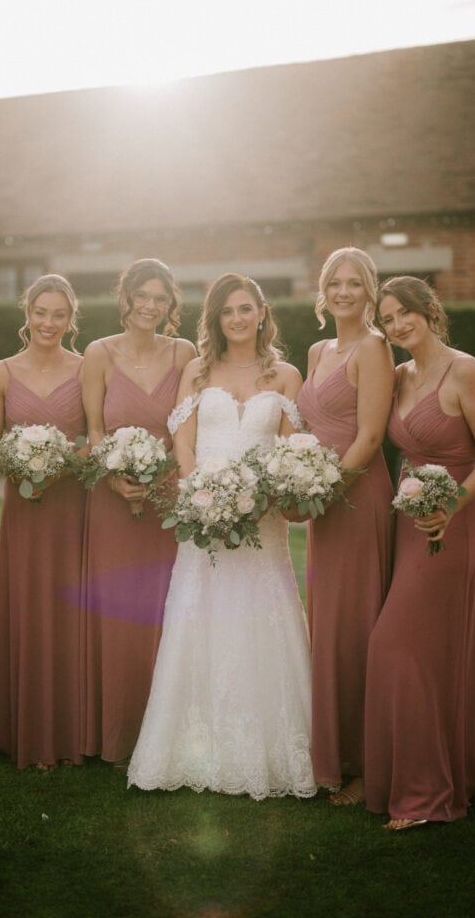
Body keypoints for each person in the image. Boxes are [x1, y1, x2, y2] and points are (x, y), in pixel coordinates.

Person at [127, 273, 317, 801]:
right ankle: (191, 748)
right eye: (227, 311)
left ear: (261, 312)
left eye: (245, 308)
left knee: (263, 615)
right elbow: (182, 443)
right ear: (216, 318)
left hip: (263, 521)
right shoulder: (197, 369)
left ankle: (269, 752)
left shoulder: (286, 376)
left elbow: (288, 450)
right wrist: (200, 497)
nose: (237, 318)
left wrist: (255, 500)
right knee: (200, 615)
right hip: (202, 517)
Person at [365, 276, 475, 830]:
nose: (398, 325)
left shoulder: (465, 369)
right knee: (428, 652)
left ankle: (428, 795)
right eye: (389, 318)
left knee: (394, 646)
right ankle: (457, 772)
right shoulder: (398, 375)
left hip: (454, 524)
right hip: (410, 523)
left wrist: (452, 505)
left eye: (406, 314)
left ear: (429, 312)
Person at [80, 259, 196, 766]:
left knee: (167, 610)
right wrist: (117, 476)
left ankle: (167, 734)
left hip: (167, 501)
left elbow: (187, 430)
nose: (150, 306)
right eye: (142, 296)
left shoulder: (185, 353)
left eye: (161, 299)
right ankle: (117, 733)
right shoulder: (98, 353)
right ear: (124, 299)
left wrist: (159, 478)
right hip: (111, 498)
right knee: (117, 611)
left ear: (171, 306)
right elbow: (95, 432)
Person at [296, 247, 394, 805]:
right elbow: (312, 427)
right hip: (321, 503)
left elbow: (371, 437)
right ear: (324, 289)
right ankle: (330, 756)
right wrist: (298, 483)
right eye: (336, 281)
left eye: (355, 283)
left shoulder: (374, 347)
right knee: (328, 627)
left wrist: (327, 491)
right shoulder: (316, 350)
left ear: (370, 291)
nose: (344, 291)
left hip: (356, 501)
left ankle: (363, 765)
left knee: (356, 628)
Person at [0, 274, 87, 770]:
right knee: (27, 608)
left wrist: (61, 464)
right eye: (40, 312)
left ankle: (72, 731)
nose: (49, 322)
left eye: (59, 314)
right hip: (23, 508)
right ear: (27, 313)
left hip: (72, 508)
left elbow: (93, 438)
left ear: (71, 319)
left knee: (74, 612)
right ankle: (26, 730)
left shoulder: (88, 368)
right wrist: (25, 467)